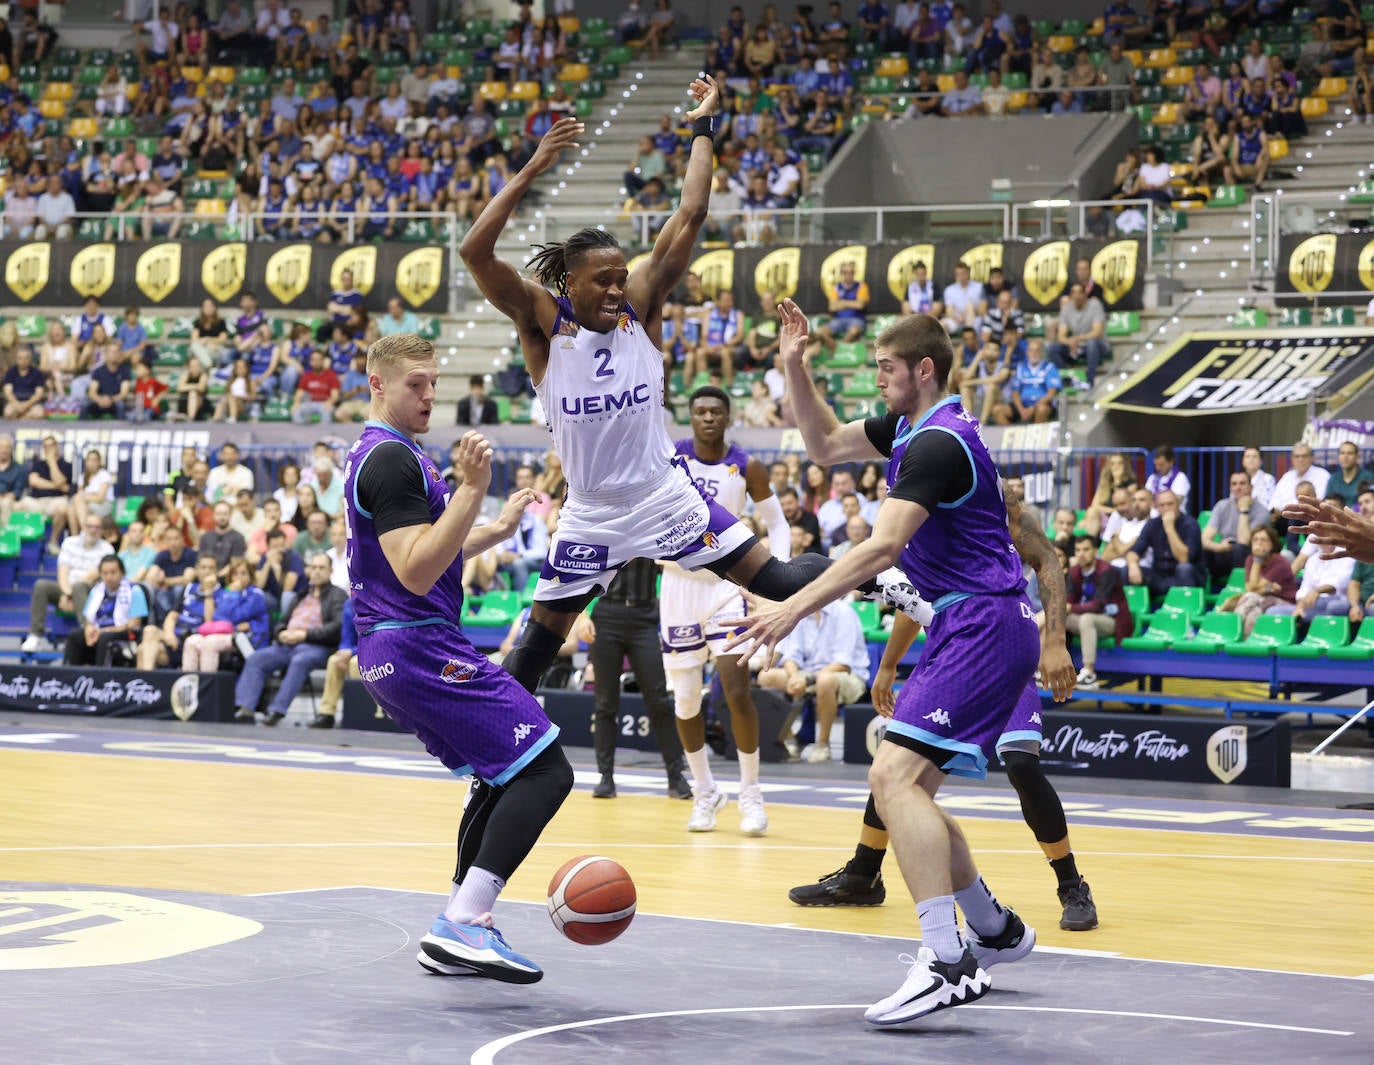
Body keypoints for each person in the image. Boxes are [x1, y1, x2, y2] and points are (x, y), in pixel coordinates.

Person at [461, 91, 921, 699]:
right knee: (538, 646)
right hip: (591, 513)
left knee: (779, 579)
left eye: (622, 278)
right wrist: (532, 169)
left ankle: (877, 579)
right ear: (570, 282)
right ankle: (497, 756)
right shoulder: (543, 325)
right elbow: (474, 251)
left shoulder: (639, 310)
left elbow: (691, 212)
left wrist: (704, 127)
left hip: (663, 495)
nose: (617, 290)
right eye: (603, 280)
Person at [729, 302, 1078, 1025]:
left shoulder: (938, 445)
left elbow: (882, 549)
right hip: (968, 620)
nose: (879, 381)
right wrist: (795, 366)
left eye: (887, 370)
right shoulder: (913, 428)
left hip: (982, 620)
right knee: (905, 784)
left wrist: (794, 607)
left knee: (893, 775)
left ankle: (945, 958)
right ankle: (991, 926)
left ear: (922, 370)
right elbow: (823, 444)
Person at [343, 332, 573, 984]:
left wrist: (493, 529)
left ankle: (457, 921)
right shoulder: (390, 459)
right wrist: (472, 488)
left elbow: (426, 551)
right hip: (416, 641)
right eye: (415, 383)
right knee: (548, 770)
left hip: (400, 646)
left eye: (434, 383)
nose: (429, 395)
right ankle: (466, 919)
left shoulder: (395, 456)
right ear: (378, 385)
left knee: (501, 775)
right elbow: (415, 572)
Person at [659, 387, 792, 832]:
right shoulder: (669, 455)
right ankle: (705, 792)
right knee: (686, 699)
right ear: (691, 417)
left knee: (736, 689)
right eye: (700, 411)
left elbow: (777, 522)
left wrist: (780, 575)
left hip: (725, 587)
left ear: (728, 416)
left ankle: (751, 794)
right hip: (677, 588)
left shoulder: (747, 465)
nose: (708, 417)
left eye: (716, 411)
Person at [577, 557, 692, 800]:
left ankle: (676, 775)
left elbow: (674, 569)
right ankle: (605, 777)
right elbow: (586, 570)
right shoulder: (607, 527)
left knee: (659, 701)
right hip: (606, 615)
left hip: (645, 619)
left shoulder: (653, 529)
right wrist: (582, 616)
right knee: (605, 704)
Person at [233, 553, 344, 725]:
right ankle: (245, 709)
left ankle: (277, 710)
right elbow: (282, 622)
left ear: (330, 571)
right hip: (286, 645)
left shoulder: (337, 595)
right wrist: (281, 633)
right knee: (257, 659)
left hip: (317, 646)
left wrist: (305, 634)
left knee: (300, 660)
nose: (316, 572)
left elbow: (337, 628)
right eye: (313, 567)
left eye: (321, 568)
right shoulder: (301, 595)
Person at [758, 598, 870, 762]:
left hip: (849, 675)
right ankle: (790, 740)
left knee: (825, 680)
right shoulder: (801, 614)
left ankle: (823, 745)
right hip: (808, 673)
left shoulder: (844, 612)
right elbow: (791, 656)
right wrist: (794, 676)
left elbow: (842, 663)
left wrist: (807, 680)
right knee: (766, 677)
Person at [22, 515, 115, 652]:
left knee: (79, 586)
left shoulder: (107, 549)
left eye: (97, 527)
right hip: (67, 588)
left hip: (92, 592)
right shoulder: (69, 543)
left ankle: (86, 630)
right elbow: (62, 572)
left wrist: (71, 595)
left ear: (101, 530)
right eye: (90, 526)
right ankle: (36, 635)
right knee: (41, 585)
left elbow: (92, 576)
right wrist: (66, 593)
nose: (93, 530)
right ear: (83, 527)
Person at [1064, 534, 1132, 690]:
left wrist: (1070, 608)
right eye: (1078, 550)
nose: (1081, 554)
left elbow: (1098, 606)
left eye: (1086, 549)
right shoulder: (1074, 572)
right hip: (1083, 620)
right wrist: (1064, 609)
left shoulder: (1106, 571)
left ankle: (1089, 673)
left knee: (1087, 618)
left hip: (1112, 621)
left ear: (1095, 551)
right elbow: (1069, 599)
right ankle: (1052, 667)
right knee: (1055, 618)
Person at [137, 554, 221, 670]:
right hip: (176, 637)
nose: (207, 571)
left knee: (142, 650)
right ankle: (144, 681)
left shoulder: (221, 592)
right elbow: (172, 616)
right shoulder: (189, 588)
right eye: (203, 567)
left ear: (216, 571)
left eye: (211, 568)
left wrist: (208, 592)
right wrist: (169, 634)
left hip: (195, 639)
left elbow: (209, 621)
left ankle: (143, 683)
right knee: (149, 630)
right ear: (196, 570)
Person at [63, 555, 148, 667]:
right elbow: (89, 620)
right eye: (105, 573)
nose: (109, 577)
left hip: (123, 633)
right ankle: (71, 676)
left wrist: (103, 631)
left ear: (122, 573)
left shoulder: (134, 591)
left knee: (105, 638)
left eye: (113, 572)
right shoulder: (96, 591)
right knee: (75, 635)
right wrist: (89, 630)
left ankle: (100, 677)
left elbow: (134, 624)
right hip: (99, 631)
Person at [1126, 489, 1202, 595]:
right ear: (1157, 507)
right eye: (1162, 505)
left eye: (1170, 504)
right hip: (1160, 577)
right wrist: (1133, 565)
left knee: (1183, 569)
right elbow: (1134, 551)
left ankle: (1185, 607)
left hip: (1186, 578)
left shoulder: (1190, 524)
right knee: (1126, 570)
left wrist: (1169, 528)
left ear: (1178, 504)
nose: (1166, 508)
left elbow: (1184, 558)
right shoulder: (1153, 524)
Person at [1203, 470, 1268, 587]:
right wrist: (1219, 547)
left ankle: (1238, 586)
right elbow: (1204, 539)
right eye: (1234, 484)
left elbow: (1244, 541)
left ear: (1251, 487)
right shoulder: (1222, 505)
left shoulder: (1262, 512)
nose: (1238, 487)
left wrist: (1244, 510)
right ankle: (1201, 589)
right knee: (1204, 550)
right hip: (1223, 552)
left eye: (1242, 483)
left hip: (1250, 556)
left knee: (1239, 548)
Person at [1045, 283, 1108, 387]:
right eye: (1074, 293)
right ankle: (1071, 379)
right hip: (1077, 347)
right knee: (1052, 348)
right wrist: (1070, 342)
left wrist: (1077, 339)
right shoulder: (1066, 309)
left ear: (1085, 295)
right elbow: (1061, 336)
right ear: (1070, 296)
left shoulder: (1095, 305)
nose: (1077, 296)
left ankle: (1089, 381)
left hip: (1098, 346)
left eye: (1080, 292)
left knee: (1092, 343)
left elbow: (1097, 332)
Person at [1327, 441, 1374, 510]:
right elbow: (1327, 502)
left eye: (1350, 453)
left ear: (1357, 456)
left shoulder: (1368, 477)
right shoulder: (1333, 479)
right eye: (1342, 453)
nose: (1345, 457)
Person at [1144, 444, 1191, 509]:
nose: (1158, 468)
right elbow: (1146, 497)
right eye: (1156, 465)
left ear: (1171, 462)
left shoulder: (1180, 477)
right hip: (1153, 517)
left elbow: (1176, 501)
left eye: (1161, 464)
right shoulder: (1152, 478)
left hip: (1174, 516)